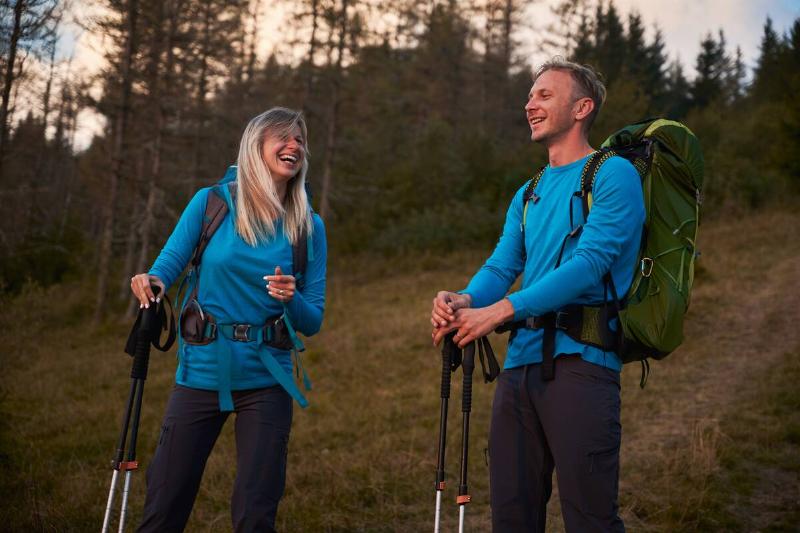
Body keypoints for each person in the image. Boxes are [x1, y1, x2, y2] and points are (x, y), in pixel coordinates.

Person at [430, 58, 644, 532]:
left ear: (582, 107)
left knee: (589, 519)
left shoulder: (612, 175)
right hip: (519, 371)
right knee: (511, 516)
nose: (530, 104)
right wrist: (463, 300)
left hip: (583, 366)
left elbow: (590, 266)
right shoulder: (527, 193)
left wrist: (501, 310)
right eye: (530, 95)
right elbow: (503, 266)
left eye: (545, 94)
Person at [129, 107, 327, 532]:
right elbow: (168, 266)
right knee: (165, 500)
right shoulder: (212, 204)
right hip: (200, 373)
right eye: (284, 137)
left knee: (256, 512)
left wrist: (291, 300)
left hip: (267, 379)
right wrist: (151, 282)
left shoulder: (308, 226)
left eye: (300, 141)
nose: (294, 146)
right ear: (256, 146)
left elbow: (313, 320)